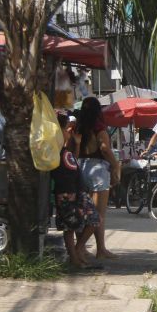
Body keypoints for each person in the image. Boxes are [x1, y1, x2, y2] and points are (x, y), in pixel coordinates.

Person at [52, 112, 99, 268]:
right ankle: (73, 257)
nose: (68, 132)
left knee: (93, 219)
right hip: (66, 192)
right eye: (66, 129)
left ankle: (78, 250)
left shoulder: (64, 149)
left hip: (77, 190)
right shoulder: (54, 149)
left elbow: (73, 160)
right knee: (69, 227)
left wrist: (77, 143)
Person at [77, 96, 121, 260]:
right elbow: (104, 149)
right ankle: (92, 248)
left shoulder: (79, 128)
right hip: (98, 169)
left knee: (84, 212)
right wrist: (116, 165)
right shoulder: (99, 128)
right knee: (99, 213)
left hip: (81, 167)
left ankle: (85, 248)